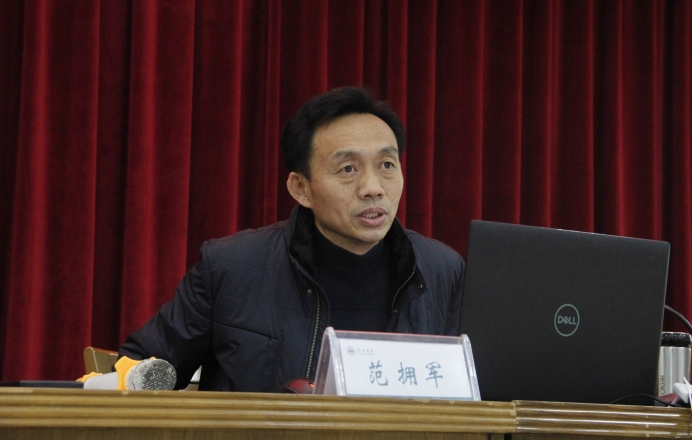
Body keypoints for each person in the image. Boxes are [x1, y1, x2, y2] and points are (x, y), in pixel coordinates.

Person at [119, 87, 465, 391]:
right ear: (301, 188)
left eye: (387, 165)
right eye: (348, 169)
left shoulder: (443, 271)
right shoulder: (230, 268)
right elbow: (138, 370)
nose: (373, 188)